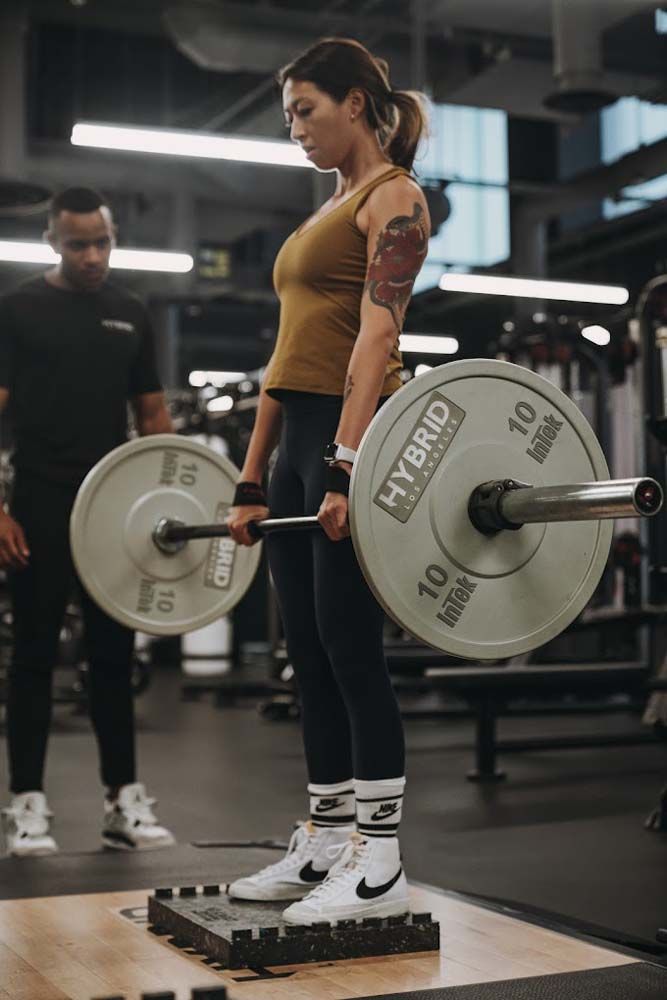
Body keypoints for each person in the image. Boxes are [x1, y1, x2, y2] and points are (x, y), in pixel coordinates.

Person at [227, 37, 430, 924]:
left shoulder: (395, 200)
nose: (297, 131)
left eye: (306, 111)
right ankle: (323, 843)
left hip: (353, 437)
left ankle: (378, 861)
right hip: (295, 439)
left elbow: (375, 340)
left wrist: (347, 464)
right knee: (304, 654)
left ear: (356, 103)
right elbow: (284, 357)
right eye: (288, 118)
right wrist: (249, 475)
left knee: (350, 649)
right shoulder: (329, 205)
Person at [0, 187, 175, 856]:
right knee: (35, 657)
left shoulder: (129, 313)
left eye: (102, 241)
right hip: (40, 502)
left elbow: (153, 419)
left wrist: (160, 508)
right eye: (78, 244)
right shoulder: (17, 310)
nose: (94, 255)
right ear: (52, 240)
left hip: (111, 511)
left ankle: (122, 801)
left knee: (111, 658)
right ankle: (27, 804)